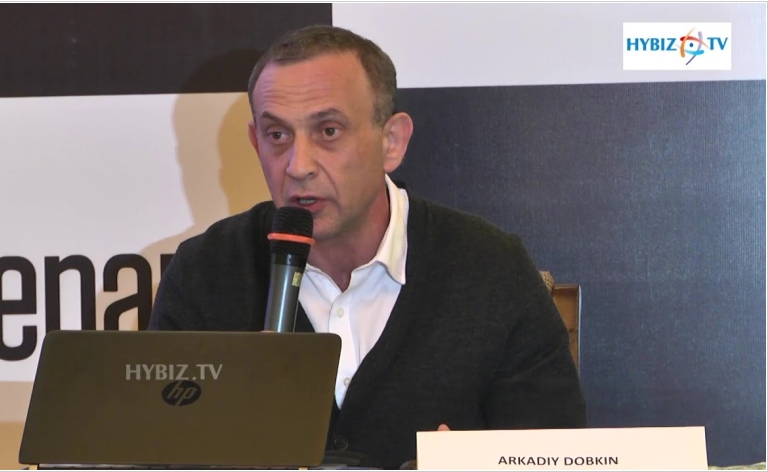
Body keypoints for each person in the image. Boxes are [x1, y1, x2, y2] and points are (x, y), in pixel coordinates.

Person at [149, 24, 587, 469]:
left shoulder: (493, 269)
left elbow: (554, 455)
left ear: (391, 141)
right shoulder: (204, 273)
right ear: (254, 142)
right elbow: (156, 454)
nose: (298, 166)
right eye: (277, 135)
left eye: (329, 131)